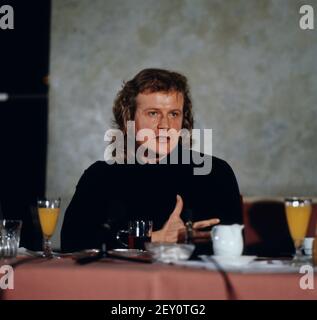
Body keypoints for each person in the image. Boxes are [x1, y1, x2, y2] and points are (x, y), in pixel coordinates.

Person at [61, 68, 242, 254]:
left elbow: (233, 247)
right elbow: (72, 242)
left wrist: (188, 240)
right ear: (128, 118)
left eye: (174, 114)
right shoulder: (100, 177)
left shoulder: (214, 173)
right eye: (153, 113)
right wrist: (154, 239)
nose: (165, 125)